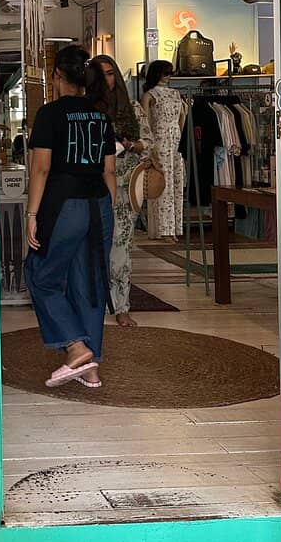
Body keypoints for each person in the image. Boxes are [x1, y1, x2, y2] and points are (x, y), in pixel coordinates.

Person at [23, 45, 117, 389]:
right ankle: (90, 368)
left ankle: (76, 347)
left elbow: (41, 168)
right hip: (98, 205)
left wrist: (32, 213)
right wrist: (110, 212)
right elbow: (110, 170)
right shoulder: (100, 117)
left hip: (63, 204)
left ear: (57, 76)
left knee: (40, 275)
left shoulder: (49, 114)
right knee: (89, 283)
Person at [86, 56, 152, 328]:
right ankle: (95, 304)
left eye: (112, 74)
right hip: (93, 184)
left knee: (121, 248)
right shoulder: (87, 110)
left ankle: (121, 305)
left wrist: (130, 144)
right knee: (91, 247)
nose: (108, 80)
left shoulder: (132, 108)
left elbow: (149, 144)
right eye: (102, 75)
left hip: (125, 187)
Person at [141, 60, 186, 242]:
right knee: (162, 182)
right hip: (159, 139)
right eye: (165, 73)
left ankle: (174, 227)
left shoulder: (176, 94)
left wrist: (180, 134)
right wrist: (148, 145)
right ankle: (163, 229)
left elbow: (183, 116)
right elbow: (144, 122)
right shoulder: (150, 95)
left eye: (170, 73)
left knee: (176, 182)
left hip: (174, 139)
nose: (168, 77)